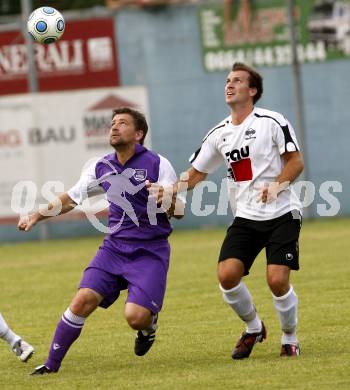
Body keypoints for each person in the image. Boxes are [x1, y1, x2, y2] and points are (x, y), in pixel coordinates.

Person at [148, 62, 304, 358]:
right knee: (227, 275)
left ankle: (289, 337)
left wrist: (278, 185)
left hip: (283, 213)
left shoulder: (272, 121)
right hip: (245, 217)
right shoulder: (220, 133)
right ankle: (254, 327)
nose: (229, 85)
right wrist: (170, 190)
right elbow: (196, 173)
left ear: (253, 90)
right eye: (227, 80)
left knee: (277, 279)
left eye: (237, 80)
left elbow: (296, 161)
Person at [18, 107, 184, 375]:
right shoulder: (101, 166)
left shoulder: (158, 164)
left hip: (150, 252)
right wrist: (37, 215)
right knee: (82, 300)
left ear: (139, 134)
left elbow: (180, 211)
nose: (114, 127)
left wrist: (167, 198)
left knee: (135, 317)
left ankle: (148, 326)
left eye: (122, 123)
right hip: (114, 248)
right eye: (112, 124)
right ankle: (51, 365)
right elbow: (72, 198)